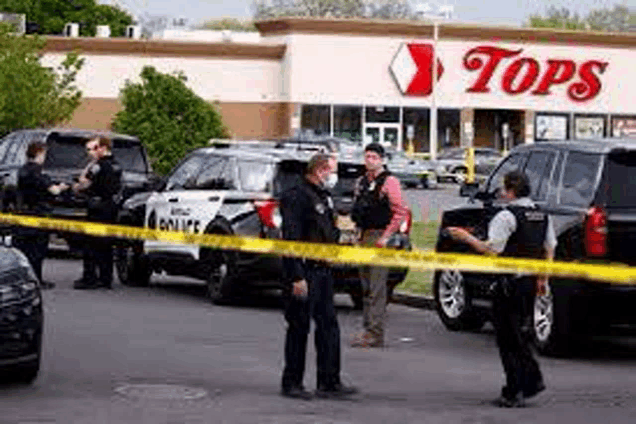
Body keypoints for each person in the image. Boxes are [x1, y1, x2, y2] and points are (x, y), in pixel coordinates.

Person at [446, 171, 556, 408]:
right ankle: (529, 380)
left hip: (509, 283)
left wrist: (465, 237)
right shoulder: (541, 215)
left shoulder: (506, 216)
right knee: (518, 333)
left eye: (504, 189)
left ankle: (516, 388)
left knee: (508, 338)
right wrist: (542, 279)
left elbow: (492, 249)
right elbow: (550, 247)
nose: (502, 193)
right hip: (529, 282)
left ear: (510, 191)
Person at [279, 152, 358, 400]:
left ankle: (329, 380)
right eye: (332, 171)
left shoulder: (322, 196)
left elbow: (326, 230)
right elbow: (291, 239)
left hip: (323, 271)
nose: (334, 177)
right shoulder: (296, 197)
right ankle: (292, 382)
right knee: (299, 327)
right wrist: (296, 276)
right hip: (304, 271)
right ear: (319, 170)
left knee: (328, 326)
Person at [350, 143, 408, 348]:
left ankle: (375, 332)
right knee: (364, 286)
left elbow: (401, 211)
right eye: (367, 156)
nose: (370, 160)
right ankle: (367, 329)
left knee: (376, 287)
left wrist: (386, 236)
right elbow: (357, 212)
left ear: (382, 159)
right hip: (364, 236)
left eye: (374, 157)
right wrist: (356, 235)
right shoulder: (362, 182)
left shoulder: (389, 182)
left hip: (380, 238)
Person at [13, 141, 68, 289]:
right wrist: (62, 187)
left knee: (24, 250)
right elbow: (53, 191)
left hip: (23, 214)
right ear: (38, 153)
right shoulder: (37, 171)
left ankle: (23, 279)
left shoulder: (22, 170)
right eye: (44, 153)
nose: (45, 157)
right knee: (37, 250)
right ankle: (37, 280)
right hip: (38, 214)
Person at [72, 136, 122, 290]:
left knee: (91, 246)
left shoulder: (97, 166)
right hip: (111, 209)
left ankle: (89, 279)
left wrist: (77, 186)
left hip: (97, 209)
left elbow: (84, 182)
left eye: (93, 148)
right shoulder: (117, 165)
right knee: (106, 246)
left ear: (102, 148)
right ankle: (106, 279)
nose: (91, 152)